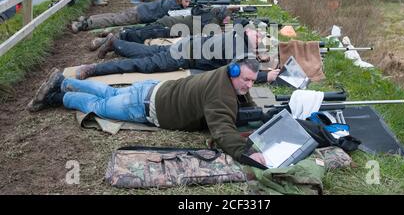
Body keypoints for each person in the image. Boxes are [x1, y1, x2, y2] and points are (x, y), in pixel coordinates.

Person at [27, 59, 267, 165]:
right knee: (99, 107)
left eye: (253, 81)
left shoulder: (226, 72)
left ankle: (63, 80)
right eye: (246, 79)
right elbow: (223, 130)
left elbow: (241, 97)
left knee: (109, 93)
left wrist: (254, 110)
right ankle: (60, 96)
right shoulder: (221, 94)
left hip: (150, 90)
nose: (249, 86)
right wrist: (246, 153)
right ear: (235, 72)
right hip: (144, 107)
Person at [75, 28, 280, 84]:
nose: (259, 37)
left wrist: (258, 60)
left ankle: (115, 43)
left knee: (147, 52)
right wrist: (266, 76)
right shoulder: (240, 49)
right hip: (183, 55)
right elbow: (238, 72)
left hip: (186, 46)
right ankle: (93, 69)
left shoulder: (238, 33)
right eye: (259, 38)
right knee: (143, 65)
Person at [90, 6, 233, 47]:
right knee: (140, 35)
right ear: (221, 16)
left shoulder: (209, 14)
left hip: (167, 23)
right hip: (167, 27)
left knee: (141, 31)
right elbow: (214, 38)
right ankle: (106, 40)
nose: (228, 21)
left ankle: (110, 34)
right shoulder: (212, 22)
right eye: (227, 18)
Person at [69, 0, 193, 33]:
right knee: (114, 20)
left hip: (140, 9)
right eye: (186, 1)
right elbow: (174, 16)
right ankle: (83, 25)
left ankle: (88, 19)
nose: (187, 4)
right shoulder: (172, 7)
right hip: (139, 15)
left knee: (115, 16)